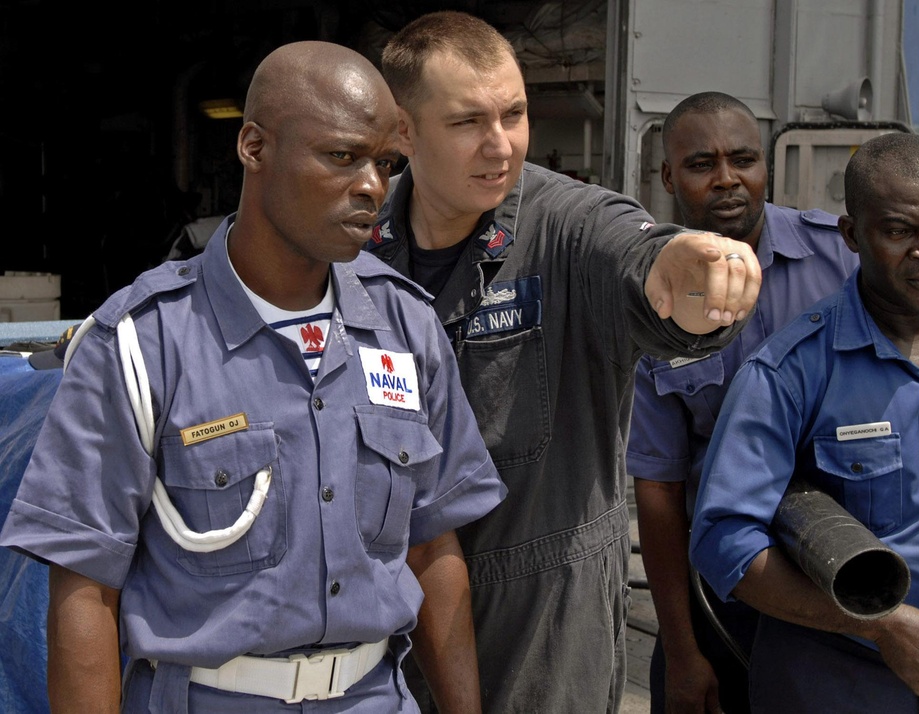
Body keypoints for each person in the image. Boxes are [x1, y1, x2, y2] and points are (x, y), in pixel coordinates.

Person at [0, 41, 507, 713]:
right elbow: (85, 590)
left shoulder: (406, 329)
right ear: (254, 147)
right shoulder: (144, 342)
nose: (372, 186)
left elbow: (434, 549)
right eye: (341, 156)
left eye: (385, 164)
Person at [367, 11, 763, 713]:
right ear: (402, 130)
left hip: (543, 636)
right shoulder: (361, 252)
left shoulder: (569, 226)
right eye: (468, 123)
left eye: (514, 114)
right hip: (387, 632)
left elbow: (642, 263)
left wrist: (689, 276)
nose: (502, 146)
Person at [689, 131, 919, 712]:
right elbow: (723, 540)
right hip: (835, 685)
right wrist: (882, 624)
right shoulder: (789, 371)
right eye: (901, 231)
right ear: (853, 234)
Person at [626, 92, 859, 714]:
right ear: (669, 176)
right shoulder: (652, 296)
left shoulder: (843, 263)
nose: (727, 179)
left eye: (743, 159)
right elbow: (659, 487)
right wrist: (680, 649)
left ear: (766, 168)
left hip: (844, 579)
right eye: (702, 164)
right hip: (720, 596)